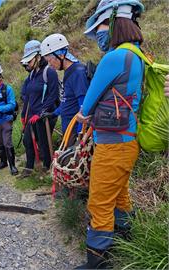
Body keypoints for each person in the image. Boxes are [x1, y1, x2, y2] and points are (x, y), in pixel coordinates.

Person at [75, 0, 145, 268]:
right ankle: (126, 243)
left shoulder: (115, 57)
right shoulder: (137, 54)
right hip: (129, 141)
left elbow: (87, 105)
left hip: (112, 145)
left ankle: (98, 263)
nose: (99, 34)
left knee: (99, 202)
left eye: (101, 26)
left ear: (115, 22)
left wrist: (84, 114)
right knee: (120, 195)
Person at [18, 40, 60, 178]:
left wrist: (41, 112)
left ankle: (47, 166)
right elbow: (27, 97)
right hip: (32, 115)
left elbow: (53, 95)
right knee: (27, 141)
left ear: (38, 56)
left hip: (45, 116)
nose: (27, 64)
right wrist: (24, 116)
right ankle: (29, 168)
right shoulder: (31, 76)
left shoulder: (49, 72)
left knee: (43, 142)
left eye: (29, 61)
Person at [41, 33, 89, 145]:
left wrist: (80, 134)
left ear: (61, 55)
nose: (49, 65)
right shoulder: (68, 72)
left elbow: (84, 106)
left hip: (76, 132)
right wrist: (54, 113)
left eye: (50, 60)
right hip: (68, 131)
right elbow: (67, 100)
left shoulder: (78, 73)